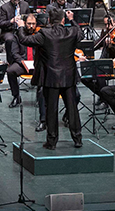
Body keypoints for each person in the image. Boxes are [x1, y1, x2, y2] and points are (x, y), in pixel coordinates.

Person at [15, 8, 84, 149]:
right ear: (63, 20)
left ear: (48, 20)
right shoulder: (72, 31)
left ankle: (52, 142)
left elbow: (24, 39)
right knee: (72, 109)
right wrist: (72, 20)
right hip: (69, 76)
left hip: (51, 78)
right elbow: (81, 33)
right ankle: (77, 138)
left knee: (51, 109)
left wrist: (21, 26)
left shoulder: (44, 34)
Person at [0, 0, 31, 107]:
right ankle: (11, 61)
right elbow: (1, 23)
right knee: (10, 39)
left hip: (22, 30)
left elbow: (30, 18)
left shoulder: (25, 5)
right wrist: (11, 21)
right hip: (9, 30)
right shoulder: (4, 7)